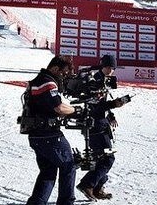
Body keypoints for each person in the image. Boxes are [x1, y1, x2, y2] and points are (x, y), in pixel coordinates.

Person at [25, 56, 78, 205]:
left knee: (48, 172)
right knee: (69, 165)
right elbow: (58, 107)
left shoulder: (37, 81)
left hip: (37, 135)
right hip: (49, 135)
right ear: (55, 69)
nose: (64, 76)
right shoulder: (47, 82)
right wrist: (75, 110)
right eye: (64, 72)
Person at [77, 54, 128, 200]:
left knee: (100, 158)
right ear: (104, 66)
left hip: (99, 124)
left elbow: (102, 104)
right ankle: (88, 184)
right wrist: (114, 104)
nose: (112, 70)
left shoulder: (102, 81)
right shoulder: (96, 81)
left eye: (113, 68)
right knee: (107, 158)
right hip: (96, 126)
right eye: (110, 67)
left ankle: (98, 187)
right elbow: (95, 106)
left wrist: (110, 114)